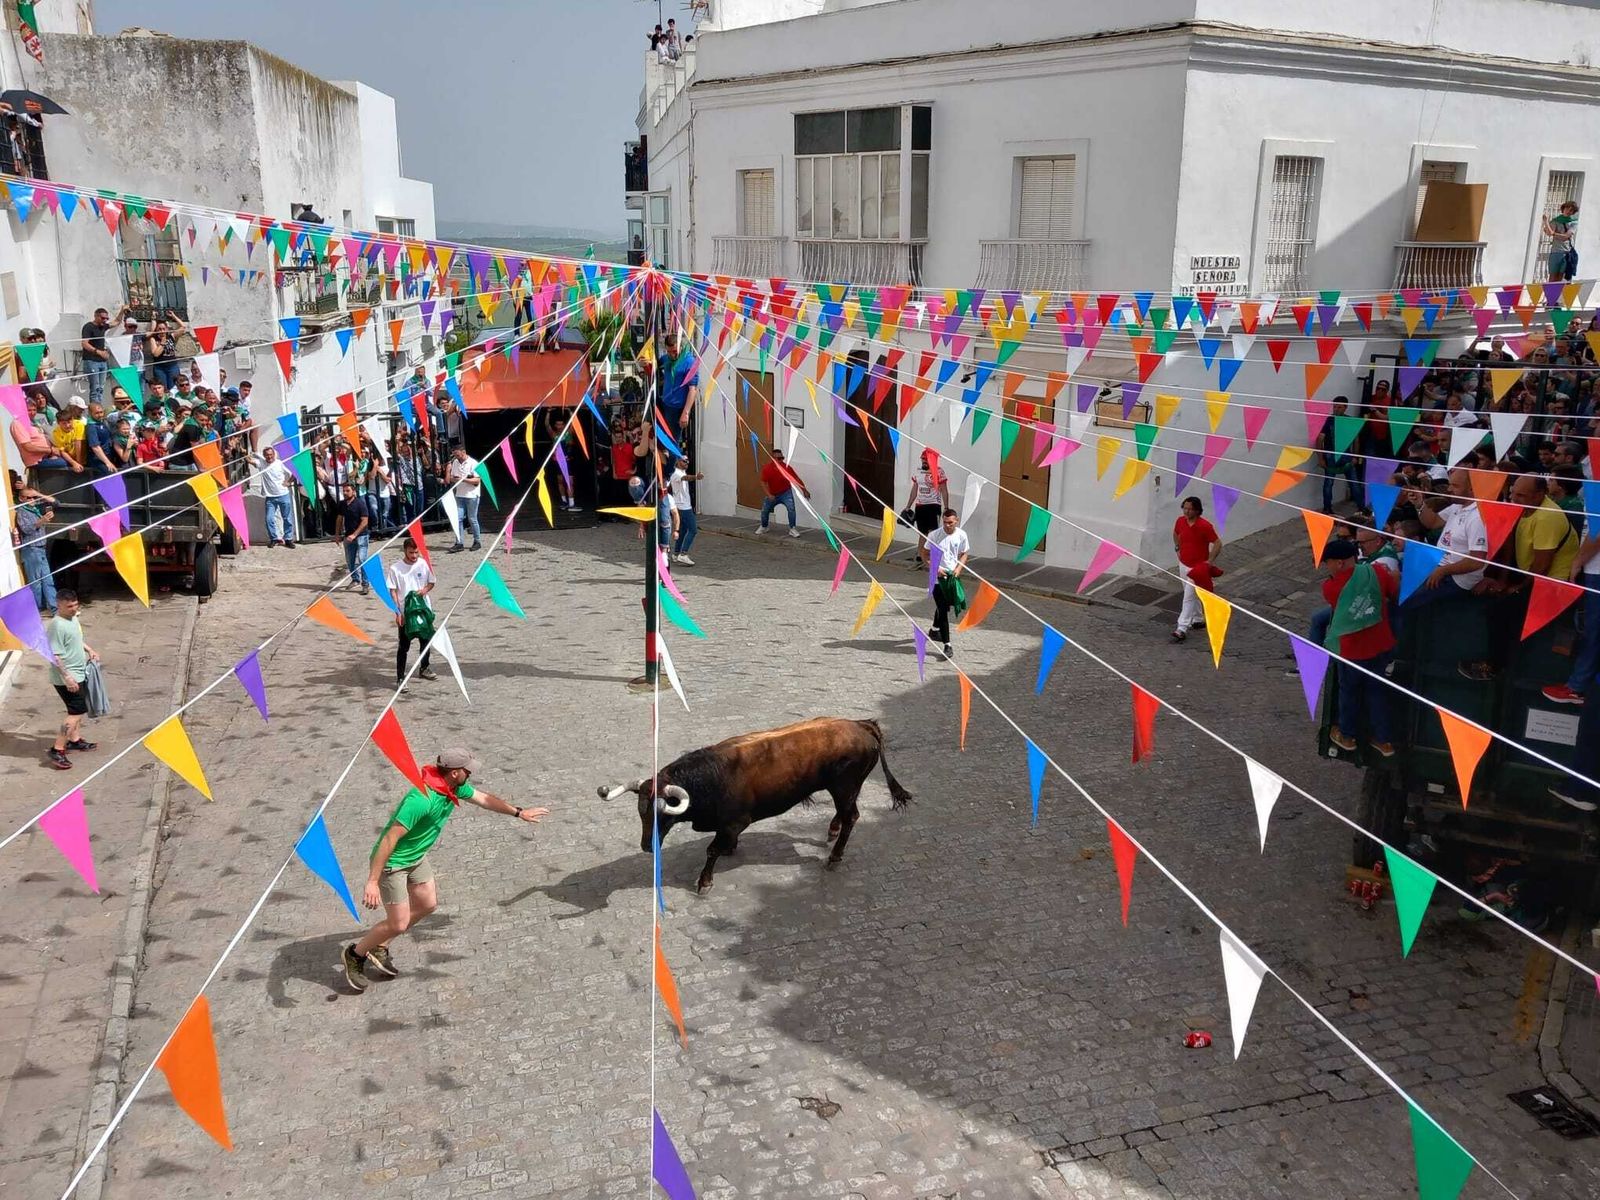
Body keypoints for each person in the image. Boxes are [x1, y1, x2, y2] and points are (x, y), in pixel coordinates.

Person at [341, 749, 547, 992]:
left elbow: (484, 799)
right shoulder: (421, 799)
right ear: (455, 772)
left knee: (427, 905)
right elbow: (388, 840)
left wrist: (519, 812)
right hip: (393, 864)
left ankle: (380, 946)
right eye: (468, 770)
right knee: (398, 923)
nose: (470, 774)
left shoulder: (453, 787)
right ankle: (355, 954)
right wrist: (372, 882)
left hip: (416, 858)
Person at [1321, 540, 1400, 758]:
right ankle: (1384, 742)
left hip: (1352, 651)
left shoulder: (1330, 587)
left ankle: (1347, 736)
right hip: (1380, 646)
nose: (1326, 567)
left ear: (1338, 563)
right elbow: (1394, 592)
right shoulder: (1376, 572)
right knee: (1377, 693)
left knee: (1349, 692)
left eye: (1327, 563)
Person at [1543, 504, 1600, 706]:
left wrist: (1578, 561)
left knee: (1591, 631)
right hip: (1594, 568)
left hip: (1596, 570)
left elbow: (1597, 530)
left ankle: (1577, 687)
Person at [46, 591, 99, 771]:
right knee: (76, 711)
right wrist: (67, 677)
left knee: (76, 708)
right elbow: (55, 655)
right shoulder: (57, 626)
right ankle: (58, 748)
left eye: (76, 604)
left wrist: (89, 649)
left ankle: (75, 741)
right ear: (59, 605)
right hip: (67, 677)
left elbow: (76, 639)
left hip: (78, 672)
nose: (74, 609)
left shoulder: (72, 618)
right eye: (69, 606)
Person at [1171, 495, 1220, 643]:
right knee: (1192, 592)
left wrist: (1209, 561)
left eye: (1190, 509)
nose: (1186, 511)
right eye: (1185, 508)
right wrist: (1178, 549)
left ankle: (1182, 627)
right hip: (1183, 563)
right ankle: (1198, 619)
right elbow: (1175, 534)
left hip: (1197, 567)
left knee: (1188, 596)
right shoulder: (1180, 521)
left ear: (1197, 510)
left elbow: (1217, 543)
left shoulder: (1205, 526)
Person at [389, 537, 438, 685]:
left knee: (426, 639)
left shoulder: (423, 564)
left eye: (416, 552)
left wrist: (424, 590)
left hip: (423, 610)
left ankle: (424, 667)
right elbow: (392, 591)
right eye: (411, 552)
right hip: (406, 612)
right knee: (403, 646)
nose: (414, 556)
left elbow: (432, 582)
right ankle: (400, 678)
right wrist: (398, 612)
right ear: (405, 550)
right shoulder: (395, 569)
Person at [927, 508, 970, 657]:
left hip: (952, 576)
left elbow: (964, 553)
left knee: (945, 605)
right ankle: (947, 645)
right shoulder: (934, 535)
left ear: (956, 521)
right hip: (937, 577)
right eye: (945, 523)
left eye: (950, 523)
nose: (947, 526)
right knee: (943, 610)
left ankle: (934, 630)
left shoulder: (961, 535)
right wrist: (935, 567)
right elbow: (924, 553)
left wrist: (959, 568)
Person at [11, 474, 55, 615]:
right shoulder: (22, 512)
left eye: (33, 498)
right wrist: (41, 521)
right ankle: (36, 609)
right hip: (31, 549)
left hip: (40, 548)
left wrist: (38, 494)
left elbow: (56, 502)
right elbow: (26, 529)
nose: (32, 500)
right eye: (28, 498)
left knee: (48, 579)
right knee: (36, 582)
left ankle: (54, 607)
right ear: (21, 499)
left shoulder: (35, 509)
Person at [903, 450, 950, 567]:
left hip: (934, 505)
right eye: (922, 459)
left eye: (925, 459)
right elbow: (915, 489)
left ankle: (933, 557)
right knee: (922, 532)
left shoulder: (939, 472)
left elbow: (944, 490)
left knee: (932, 532)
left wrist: (946, 507)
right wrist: (908, 506)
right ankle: (920, 556)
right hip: (920, 505)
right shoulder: (918, 471)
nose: (923, 461)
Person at [1319, 396, 1363, 514]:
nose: (1336, 409)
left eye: (1339, 407)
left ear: (1345, 408)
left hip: (1345, 456)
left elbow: (1356, 440)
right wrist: (1321, 458)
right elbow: (1320, 439)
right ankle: (1327, 508)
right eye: (1335, 406)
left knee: (1353, 483)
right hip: (1331, 455)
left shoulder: (1349, 421)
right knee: (1330, 483)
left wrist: (1355, 456)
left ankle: (1361, 508)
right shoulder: (1330, 420)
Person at [757, 447, 808, 538]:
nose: (781, 460)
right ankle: (764, 527)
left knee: (791, 508)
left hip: (785, 492)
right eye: (779, 458)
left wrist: (804, 490)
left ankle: (792, 529)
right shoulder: (767, 469)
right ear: (773, 459)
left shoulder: (787, 468)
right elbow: (763, 482)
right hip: (773, 493)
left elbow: (796, 478)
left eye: (782, 458)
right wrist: (769, 494)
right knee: (765, 510)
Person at [252, 445, 297, 547]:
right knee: (269, 519)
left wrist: (288, 482)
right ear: (264, 456)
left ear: (274, 454)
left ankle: (288, 539)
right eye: (267, 455)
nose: (269, 457)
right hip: (270, 497)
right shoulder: (262, 463)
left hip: (283, 494)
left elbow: (294, 472)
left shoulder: (280, 463)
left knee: (287, 518)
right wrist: (243, 452)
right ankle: (274, 538)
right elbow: (250, 460)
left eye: (271, 454)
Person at [442, 444, 483, 553]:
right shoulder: (455, 462)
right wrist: (449, 472)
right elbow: (451, 480)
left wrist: (463, 479)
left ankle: (477, 541)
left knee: (472, 518)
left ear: (463, 452)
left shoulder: (473, 463)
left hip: (471, 495)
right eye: (455, 455)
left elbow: (477, 481)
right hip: (460, 495)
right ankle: (459, 542)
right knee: (458, 518)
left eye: (458, 455)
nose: (457, 457)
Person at [334, 482, 371, 595]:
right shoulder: (342, 504)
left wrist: (355, 534)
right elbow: (339, 519)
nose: (345, 493)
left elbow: (365, 521)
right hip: (348, 536)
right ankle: (355, 579)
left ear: (353, 492)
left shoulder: (360, 504)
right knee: (350, 561)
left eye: (347, 491)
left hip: (361, 536)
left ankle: (365, 584)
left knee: (362, 559)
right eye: (344, 491)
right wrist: (337, 534)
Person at [668, 455, 703, 565]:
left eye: (687, 461)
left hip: (682, 505)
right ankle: (683, 554)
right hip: (683, 506)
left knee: (682, 531)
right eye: (684, 461)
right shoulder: (676, 473)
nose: (686, 463)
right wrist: (696, 477)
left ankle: (676, 553)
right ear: (678, 462)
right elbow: (685, 478)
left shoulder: (681, 472)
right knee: (693, 530)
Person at [79, 308, 112, 405]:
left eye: (106, 318)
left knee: (101, 388)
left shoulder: (103, 326)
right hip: (92, 361)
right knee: (95, 388)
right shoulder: (88, 327)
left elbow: (116, 323)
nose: (105, 320)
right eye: (103, 318)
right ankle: (94, 410)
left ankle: (98, 408)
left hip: (102, 362)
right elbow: (84, 344)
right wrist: (99, 352)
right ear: (96, 316)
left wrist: (122, 311)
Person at [1544, 200, 1579, 282]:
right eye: (1567, 208)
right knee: (1552, 277)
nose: (1568, 211)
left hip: (1567, 253)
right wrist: (1546, 222)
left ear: (1573, 212)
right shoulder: (1556, 220)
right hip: (1556, 252)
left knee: (1562, 277)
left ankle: (1559, 294)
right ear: (1563, 208)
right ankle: (1551, 295)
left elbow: (1566, 236)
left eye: (1571, 210)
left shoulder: (1573, 222)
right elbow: (1549, 233)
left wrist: (1553, 233)